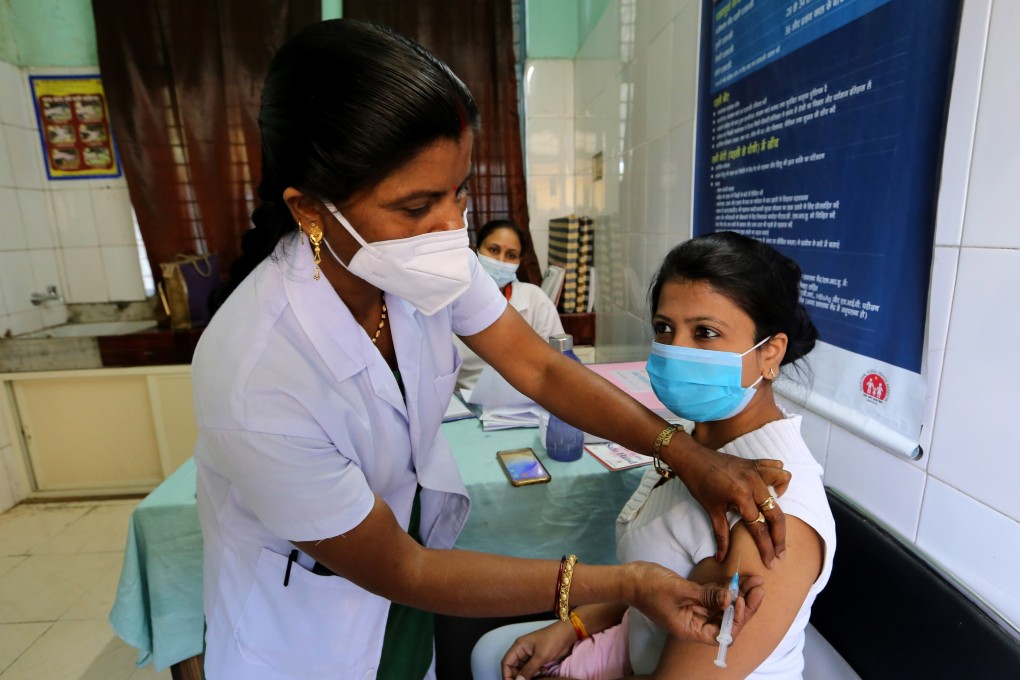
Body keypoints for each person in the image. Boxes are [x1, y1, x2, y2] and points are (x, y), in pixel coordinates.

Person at [191, 19, 791, 680]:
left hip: (401, 603)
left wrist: (686, 453)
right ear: (309, 209)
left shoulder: (419, 259)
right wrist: (625, 584)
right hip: (298, 637)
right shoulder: (256, 372)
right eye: (417, 205)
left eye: (459, 192)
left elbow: (537, 364)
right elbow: (404, 567)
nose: (452, 229)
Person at [473, 232, 836, 680]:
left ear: (770, 353)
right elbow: (659, 579)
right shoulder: (695, 448)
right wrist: (574, 626)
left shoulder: (775, 519)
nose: (675, 349)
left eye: (705, 333)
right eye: (665, 328)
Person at [454, 219, 564, 390]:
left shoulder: (535, 299)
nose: (500, 260)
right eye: (493, 250)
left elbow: (557, 361)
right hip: (465, 398)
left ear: (520, 260)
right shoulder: (453, 299)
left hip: (526, 398)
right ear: (476, 249)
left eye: (511, 255)